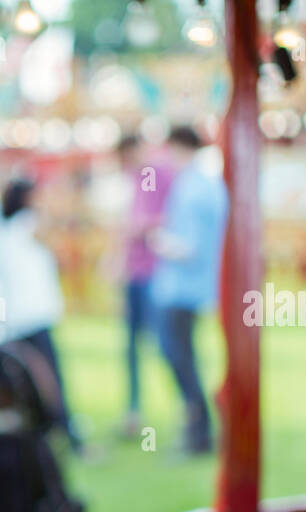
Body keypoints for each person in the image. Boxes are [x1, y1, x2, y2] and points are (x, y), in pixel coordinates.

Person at [0, 176, 85, 453]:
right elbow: (56, 234)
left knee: (37, 376)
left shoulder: (6, 230)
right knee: (50, 377)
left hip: (21, 315)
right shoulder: (27, 223)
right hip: (33, 315)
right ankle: (66, 431)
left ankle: (51, 429)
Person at [149, 125, 228, 455]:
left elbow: (191, 247)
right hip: (192, 288)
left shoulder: (193, 188)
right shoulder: (205, 184)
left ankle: (198, 434)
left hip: (183, 289)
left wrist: (160, 242)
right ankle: (198, 431)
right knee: (184, 359)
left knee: (181, 361)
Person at [115, 134, 173, 438]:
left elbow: (165, 217)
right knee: (131, 347)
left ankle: (188, 410)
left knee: (164, 345)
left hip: (153, 272)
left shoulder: (155, 173)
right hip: (135, 273)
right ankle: (133, 411)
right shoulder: (138, 179)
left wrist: (139, 228)